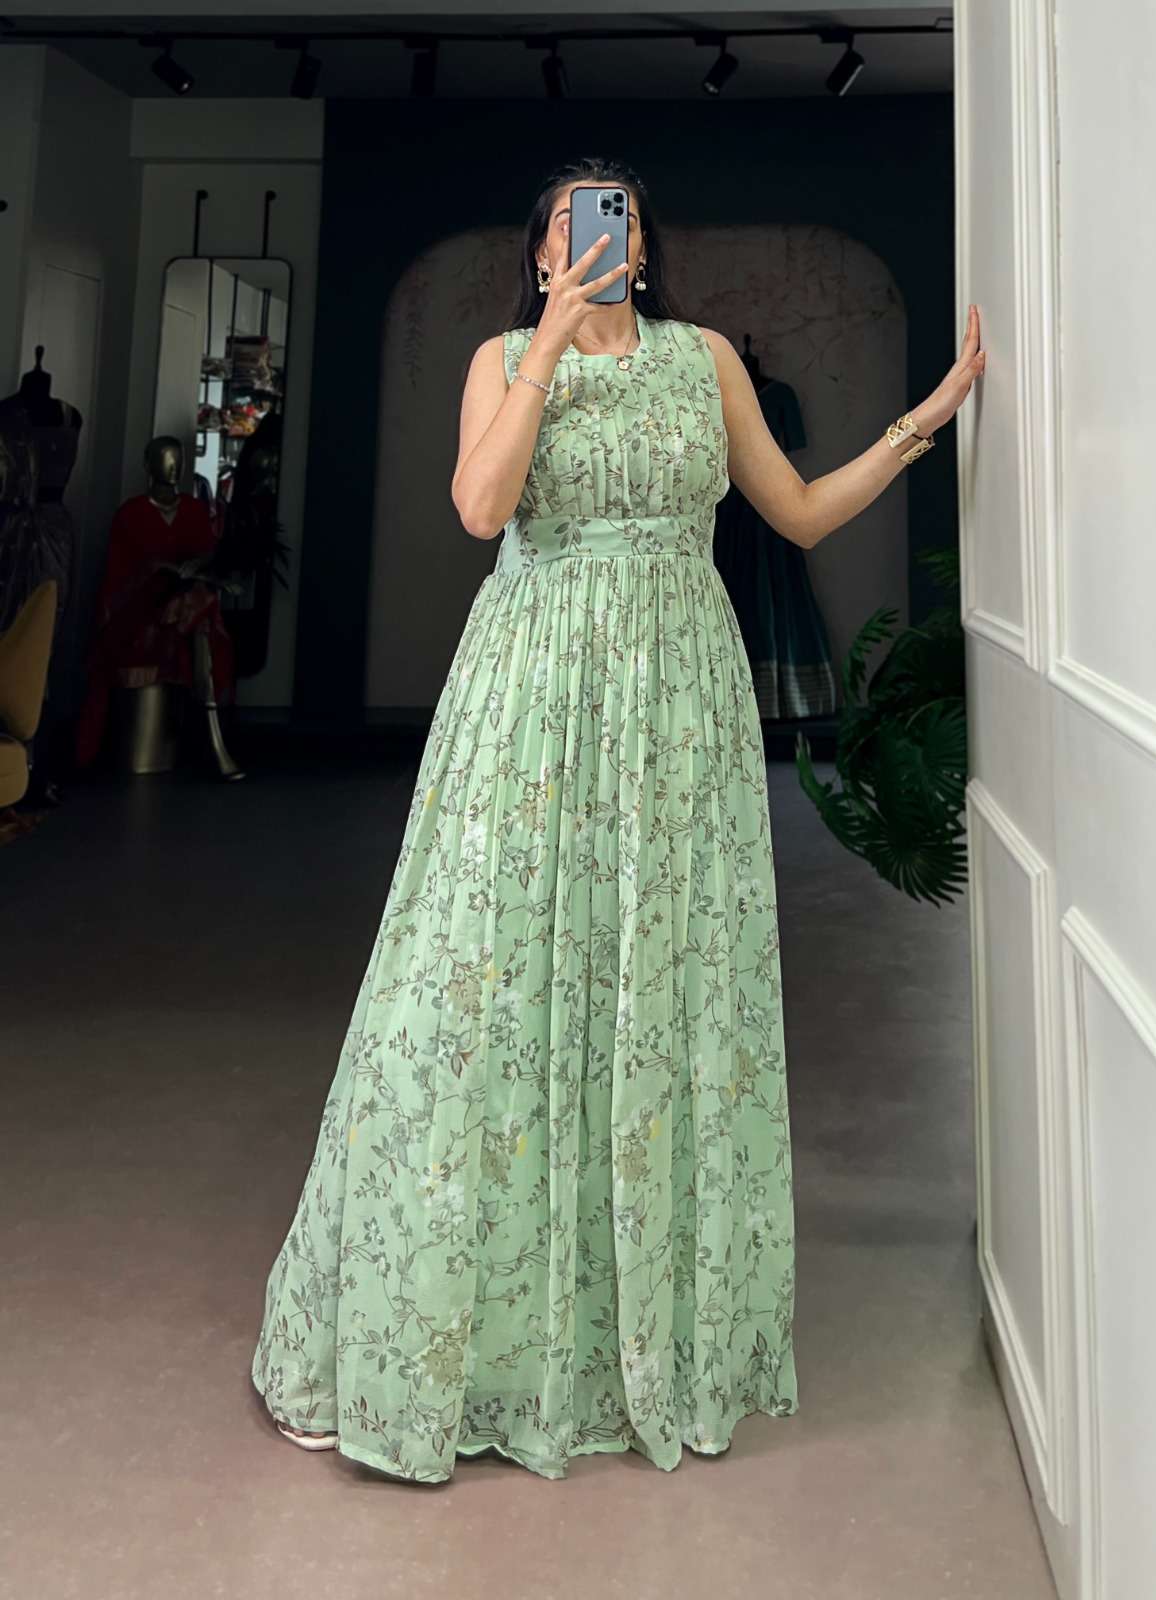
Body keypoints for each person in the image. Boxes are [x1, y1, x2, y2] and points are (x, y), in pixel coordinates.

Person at [251, 156, 985, 1481]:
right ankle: (448, 1342)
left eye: (623, 220)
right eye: (575, 224)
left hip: (680, 710)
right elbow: (481, 507)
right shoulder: (499, 360)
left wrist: (923, 419)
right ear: (543, 253)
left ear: (644, 249)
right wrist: (545, 343)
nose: (601, 238)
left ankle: (630, 1336)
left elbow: (797, 512)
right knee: (479, 986)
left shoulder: (706, 360)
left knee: (659, 986)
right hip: (531, 702)